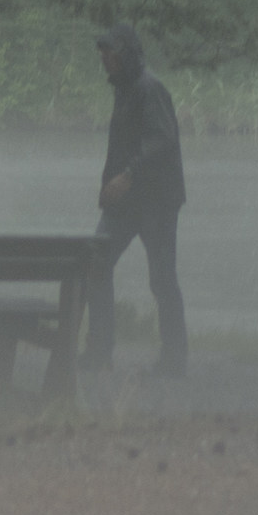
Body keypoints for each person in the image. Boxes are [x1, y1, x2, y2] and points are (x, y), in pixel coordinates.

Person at [85, 22, 188, 376]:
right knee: (96, 264)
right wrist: (109, 185)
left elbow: (161, 140)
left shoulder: (149, 88)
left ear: (126, 53)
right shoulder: (125, 89)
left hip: (157, 201)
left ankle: (174, 360)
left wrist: (127, 175)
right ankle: (99, 353)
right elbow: (125, 145)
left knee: (162, 279)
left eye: (110, 52)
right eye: (102, 53)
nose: (104, 58)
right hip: (125, 203)